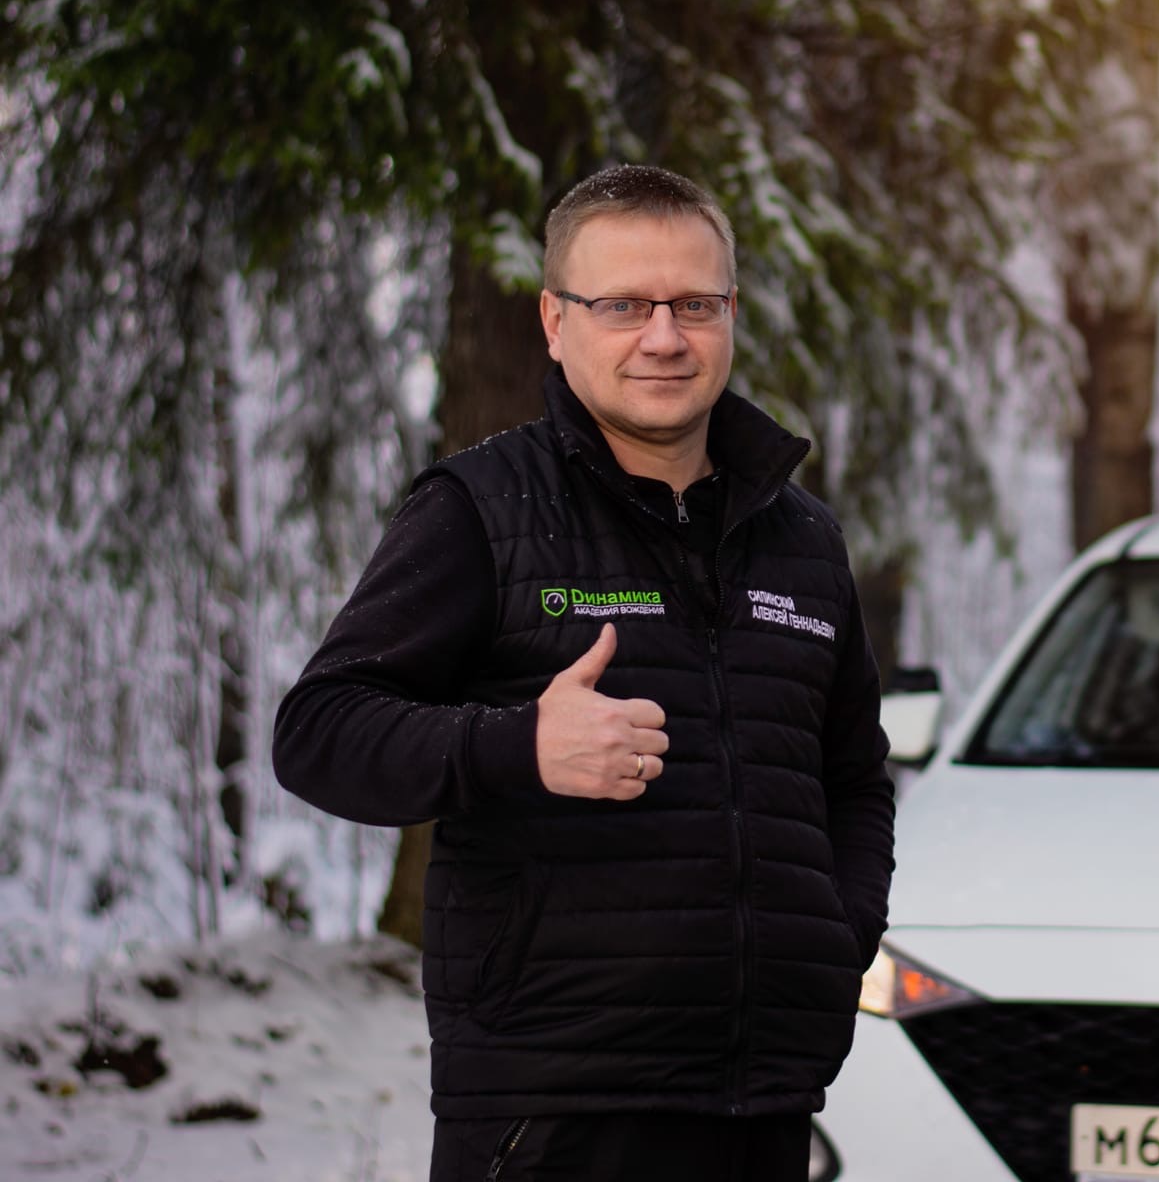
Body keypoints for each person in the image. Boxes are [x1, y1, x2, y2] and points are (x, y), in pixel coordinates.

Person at [273, 165, 896, 1181]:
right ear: (555, 322)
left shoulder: (802, 541)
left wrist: (838, 931)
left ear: (730, 314)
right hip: (551, 1111)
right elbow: (319, 733)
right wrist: (518, 744)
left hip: (762, 1100)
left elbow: (852, 778)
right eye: (623, 306)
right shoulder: (481, 510)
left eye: (693, 304)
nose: (664, 336)